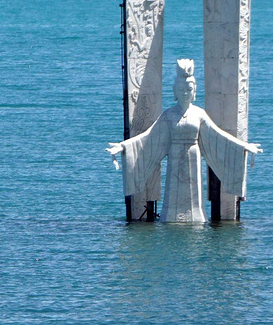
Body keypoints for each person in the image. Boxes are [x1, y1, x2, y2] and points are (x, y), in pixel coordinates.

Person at [107, 58, 262, 224]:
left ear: (194, 91)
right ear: (175, 91)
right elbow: (149, 137)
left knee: (194, 194)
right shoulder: (168, 115)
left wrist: (244, 146)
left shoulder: (199, 114)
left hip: (193, 154)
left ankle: (196, 216)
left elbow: (218, 136)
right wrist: (123, 147)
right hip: (174, 155)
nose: (185, 93)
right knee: (173, 192)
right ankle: (170, 215)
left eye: (189, 89)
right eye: (181, 89)